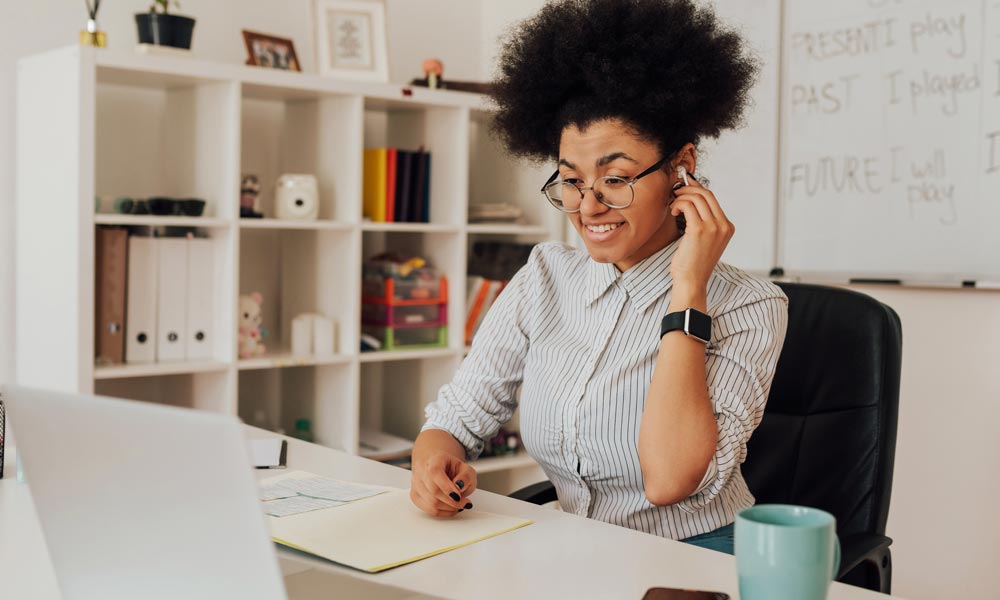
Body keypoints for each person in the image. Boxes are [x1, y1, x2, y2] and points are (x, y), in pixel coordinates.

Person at [409, 0, 788, 555]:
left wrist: (688, 289)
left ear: (682, 167)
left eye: (616, 178)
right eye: (570, 180)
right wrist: (431, 464)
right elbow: (457, 419)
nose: (588, 207)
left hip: (700, 555)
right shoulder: (544, 276)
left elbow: (667, 482)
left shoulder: (748, 304)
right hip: (574, 547)